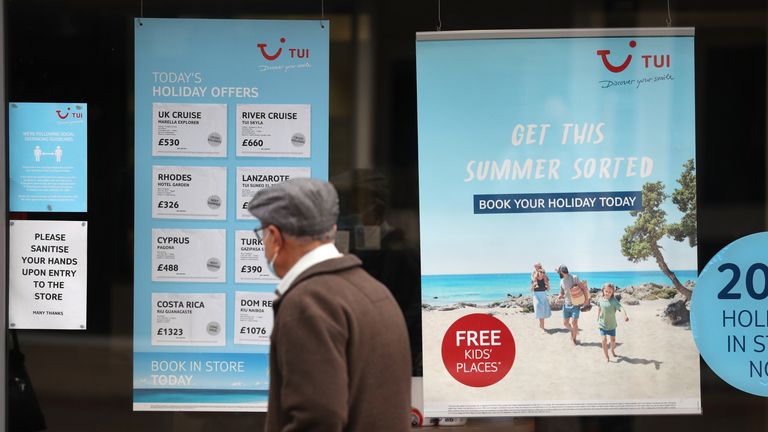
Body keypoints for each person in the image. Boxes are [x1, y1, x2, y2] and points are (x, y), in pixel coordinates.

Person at [248, 177, 411, 432]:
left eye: (263, 235)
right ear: (332, 230)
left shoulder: (307, 304)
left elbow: (317, 419)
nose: (265, 247)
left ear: (276, 237)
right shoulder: (375, 291)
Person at [597, 283, 629, 362]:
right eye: (606, 291)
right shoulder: (600, 299)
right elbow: (599, 308)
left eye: (610, 292)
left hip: (612, 325)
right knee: (604, 340)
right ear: (603, 291)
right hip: (602, 325)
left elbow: (621, 308)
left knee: (613, 341)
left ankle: (612, 350)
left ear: (612, 293)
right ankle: (606, 357)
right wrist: (598, 316)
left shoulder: (614, 301)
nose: (607, 293)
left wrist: (625, 315)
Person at [555, 265, 584, 344]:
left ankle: (574, 339)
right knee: (565, 323)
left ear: (561, 272)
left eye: (558, 272)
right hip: (566, 304)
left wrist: (587, 301)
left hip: (575, 304)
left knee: (574, 323)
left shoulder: (574, 277)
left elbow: (583, 288)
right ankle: (573, 331)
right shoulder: (561, 281)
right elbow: (561, 293)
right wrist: (558, 298)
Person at [530, 263, 551, 329]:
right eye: (535, 266)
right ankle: (541, 326)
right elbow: (531, 290)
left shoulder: (545, 277)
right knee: (538, 309)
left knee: (542, 311)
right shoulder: (534, 275)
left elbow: (548, 289)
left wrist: (547, 285)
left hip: (543, 295)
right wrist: (534, 285)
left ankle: (542, 327)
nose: (541, 274)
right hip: (536, 295)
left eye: (536, 266)